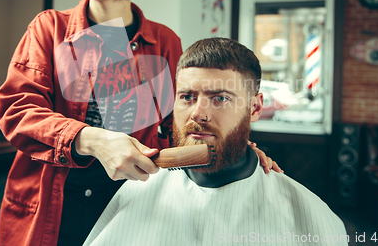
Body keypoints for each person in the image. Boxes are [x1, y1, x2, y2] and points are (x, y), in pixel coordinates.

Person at [0, 0, 278, 246]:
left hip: (130, 203)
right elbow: (18, 111)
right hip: (54, 207)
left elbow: (178, 124)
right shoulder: (49, 29)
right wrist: (94, 140)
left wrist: (239, 150)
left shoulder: (164, 43)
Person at [83, 38, 349, 246]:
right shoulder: (136, 190)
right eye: (187, 96)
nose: (198, 113)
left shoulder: (306, 212)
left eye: (220, 98)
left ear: (255, 108)